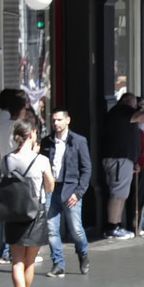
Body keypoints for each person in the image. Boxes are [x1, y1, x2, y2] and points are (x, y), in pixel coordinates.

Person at [0, 121, 53, 287]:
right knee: (29, 261)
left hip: (13, 213)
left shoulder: (7, 160)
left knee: (17, 260)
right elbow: (50, 187)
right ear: (32, 135)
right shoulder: (41, 160)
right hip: (35, 213)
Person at [99, 92, 144, 239]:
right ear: (126, 102)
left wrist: (134, 161)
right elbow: (140, 116)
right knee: (118, 193)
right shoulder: (121, 111)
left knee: (122, 194)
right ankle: (112, 226)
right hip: (118, 159)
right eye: (134, 104)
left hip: (125, 160)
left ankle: (117, 224)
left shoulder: (123, 116)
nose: (136, 107)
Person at [41, 108, 91, 278]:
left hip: (71, 190)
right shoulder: (47, 142)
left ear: (67, 120)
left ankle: (83, 253)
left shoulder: (78, 141)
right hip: (51, 189)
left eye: (59, 120)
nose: (56, 123)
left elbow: (86, 169)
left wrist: (78, 193)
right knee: (52, 229)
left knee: (76, 229)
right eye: (54, 120)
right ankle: (58, 264)